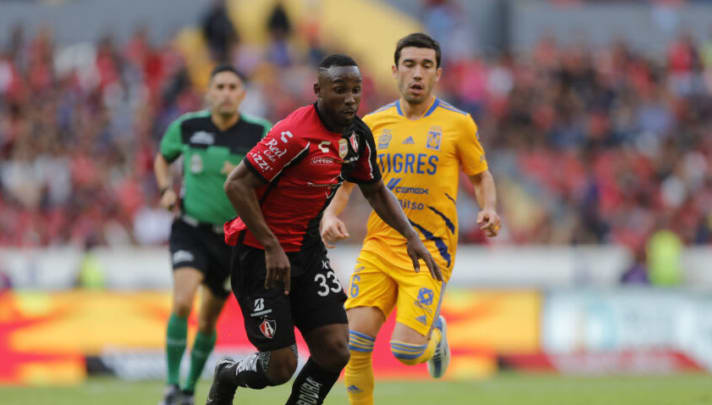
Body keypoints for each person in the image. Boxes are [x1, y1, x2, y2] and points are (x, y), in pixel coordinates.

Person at [206, 54, 441, 405]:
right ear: (318, 90)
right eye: (340, 90)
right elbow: (236, 186)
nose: (350, 98)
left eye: (356, 90)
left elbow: (375, 188)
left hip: (307, 251)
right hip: (260, 252)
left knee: (335, 349)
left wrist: (411, 236)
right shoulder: (292, 134)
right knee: (280, 366)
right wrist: (272, 247)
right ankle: (227, 373)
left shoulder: (358, 136)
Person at [320, 33, 501, 405]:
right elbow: (348, 178)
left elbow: (480, 175)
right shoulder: (371, 124)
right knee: (352, 346)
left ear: (438, 74)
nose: (417, 73)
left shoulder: (458, 124)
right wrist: (329, 215)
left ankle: (434, 338)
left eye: (426, 65)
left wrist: (489, 207)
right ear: (395, 70)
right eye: (409, 64)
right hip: (379, 247)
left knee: (404, 352)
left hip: (429, 252)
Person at [154, 65, 271, 405]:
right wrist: (165, 189)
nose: (226, 92)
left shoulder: (259, 132)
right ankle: (171, 386)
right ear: (209, 92)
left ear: (243, 94)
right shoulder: (188, 126)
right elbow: (162, 160)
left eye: (233, 86)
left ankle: (189, 389)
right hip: (191, 230)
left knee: (207, 320)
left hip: (233, 240)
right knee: (182, 301)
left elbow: (274, 174)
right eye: (219, 85)